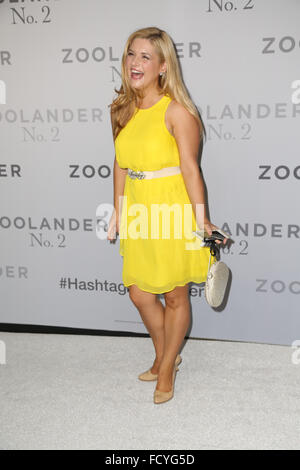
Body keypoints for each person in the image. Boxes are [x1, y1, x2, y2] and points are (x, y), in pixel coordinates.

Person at [107, 26, 227, 404]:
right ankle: (166, 356)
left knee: (175, 296)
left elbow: (191, 168)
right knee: (140, 293)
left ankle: (166, 365)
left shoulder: (177, 111)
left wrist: (202, 219)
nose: (135, 62)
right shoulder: (121, 108)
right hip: (140, 209)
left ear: (162, 66)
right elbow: (120, 163)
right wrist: (118, 211)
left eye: (145, 56)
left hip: (173, 209)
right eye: (131, 54)